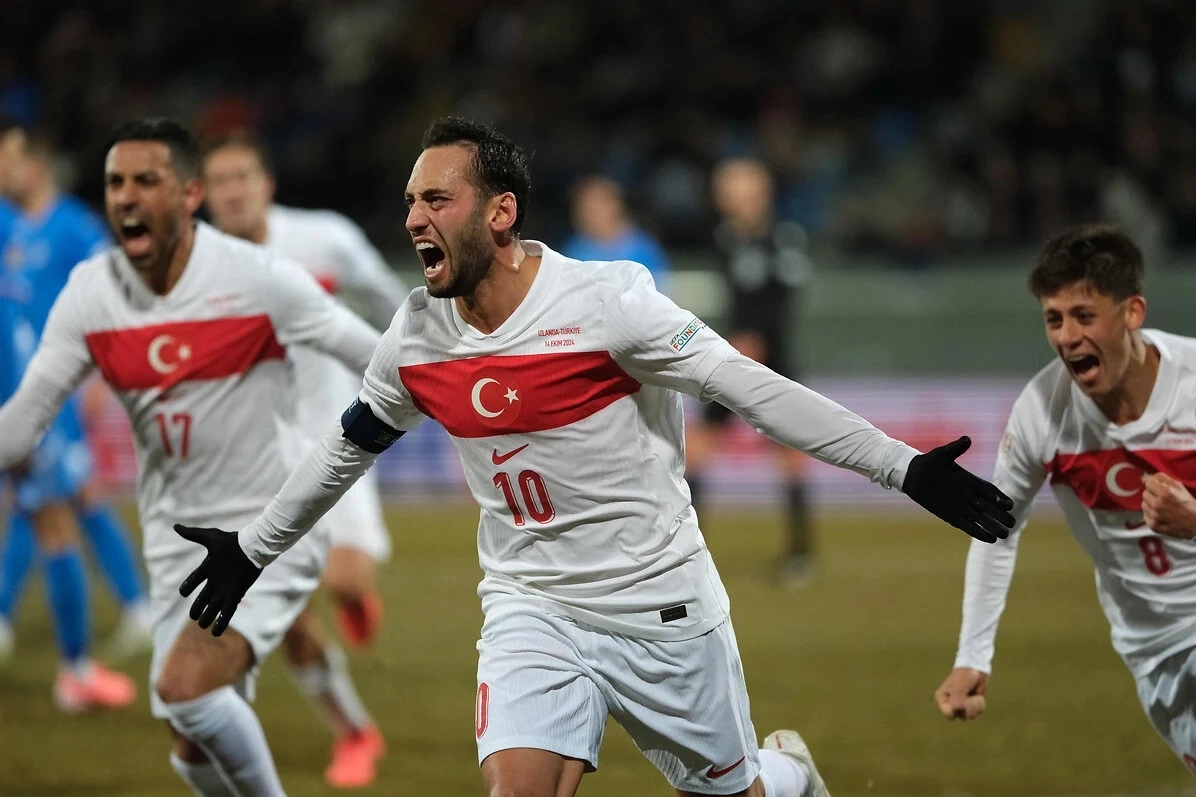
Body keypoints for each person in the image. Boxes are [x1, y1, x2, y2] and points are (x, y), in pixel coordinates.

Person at [175, 116, 1015, 797]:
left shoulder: (608, 304)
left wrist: (903, 466)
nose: (413, 219)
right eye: (409, 201)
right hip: (531, 605)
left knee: (738, 791)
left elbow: (754, 389)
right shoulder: (417, 336)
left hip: (660, 605)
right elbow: (345, 448)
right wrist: (253, 548)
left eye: (436, 198)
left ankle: (787, 773)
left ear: (500, 213)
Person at [0, 117, 382, 796]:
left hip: (269, 525)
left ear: (188, 194)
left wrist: (472, 403)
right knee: (189, 737)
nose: (126, 196)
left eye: (146, 180)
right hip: (176, 537)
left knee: (187, 688)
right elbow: (25, 418)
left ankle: (353, 731)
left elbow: (375, 357)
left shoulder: (261, 278)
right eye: (115, 182)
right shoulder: (92, 292)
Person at [934, 224, 1196, 779]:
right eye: (1054, 319)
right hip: (1153, 648)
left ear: (1132, 312)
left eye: (1084, 315)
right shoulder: (1042, 410)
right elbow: (996, 530)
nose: (1068, 336)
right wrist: (972, 656)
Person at [200, 131, 395, 787]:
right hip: (258, 460)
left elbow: (390, 299)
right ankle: (356, 732)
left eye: (242, 177)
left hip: (344, 438)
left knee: (346, 579)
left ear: (267, 184)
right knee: (284, 615)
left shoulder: (325, 239)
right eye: (220, 181)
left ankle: (356, 599)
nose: (233, 191)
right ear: (204, 195)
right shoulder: (196, 268)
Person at [0, 119, 149, 708]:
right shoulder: (9, 224)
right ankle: (77, 668)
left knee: (56, 509)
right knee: (55, 515)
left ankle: (113, 626)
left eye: (10, 158)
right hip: (23, 399)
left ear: (35, 164)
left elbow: (114, 293)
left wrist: (98, 373)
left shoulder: (70, 226)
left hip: (46, 397)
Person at [685, 157, 817, 587]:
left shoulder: (784, 239)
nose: (727, 199)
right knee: (698, 449)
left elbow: (783, 300)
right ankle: (689, 553)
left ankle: (800, 554)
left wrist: (759, 338)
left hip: (773, 359)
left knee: (789, 454)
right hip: (735, 356)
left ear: (759, 195)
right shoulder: (726, 239)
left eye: (735, 191)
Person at [561, 174, 670, 291]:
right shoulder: (574, 251)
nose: (587, 215)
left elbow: (660, 291)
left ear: (614, 206)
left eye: (595, 208)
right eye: (584, 208)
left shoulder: (644, 250)